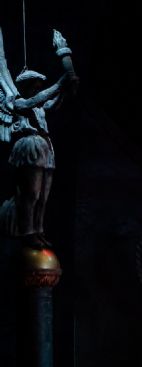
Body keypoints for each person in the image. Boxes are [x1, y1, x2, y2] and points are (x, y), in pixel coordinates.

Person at [0, 28, 78, 248]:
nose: (38, 88)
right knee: (31, 194)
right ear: (27, 86)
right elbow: (38, 99)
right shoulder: (18, 102)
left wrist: (67, 85)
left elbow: (54, 101)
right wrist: (61, 82)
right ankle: (27, 231)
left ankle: (38, 228)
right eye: (35, 85)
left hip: (45, 146)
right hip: (30, 146)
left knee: (43, 196)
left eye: (38, 85)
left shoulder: (40, 107)